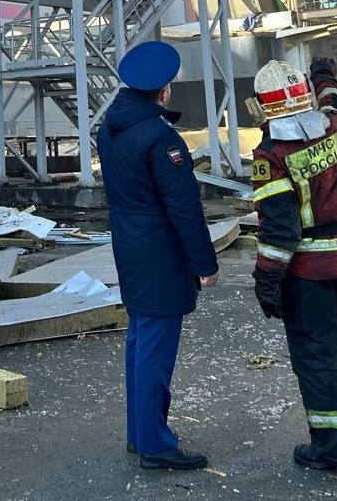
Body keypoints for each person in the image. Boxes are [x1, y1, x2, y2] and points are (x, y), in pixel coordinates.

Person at [250, 56, 337, 474]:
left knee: (320, 359)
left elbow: (280, 229)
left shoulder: (274, 155)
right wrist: (326, 76)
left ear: (264, 106)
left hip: (310, 276)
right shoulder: (336, 126)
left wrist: (267, 280)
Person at [97, 39, 218, 472]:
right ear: (164, 91)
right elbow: (183, 207)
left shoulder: (110, 129)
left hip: (129, 247)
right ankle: (155, 445)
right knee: (155, 350)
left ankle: (139, 433)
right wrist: (205, 264)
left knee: (139, 341)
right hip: (160, 254)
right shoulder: (160, 139)